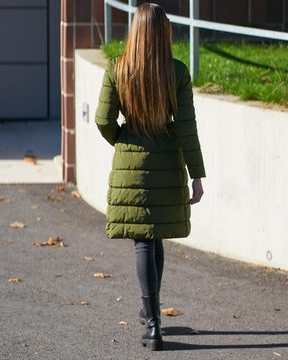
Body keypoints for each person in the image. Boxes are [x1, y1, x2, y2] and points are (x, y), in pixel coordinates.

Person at [95, 2, 205, 351]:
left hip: (131, 164)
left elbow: (102, 119)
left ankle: (153, 322)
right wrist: (197, 175)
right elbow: (186, 129)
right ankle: (152, 315)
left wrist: (123, 139)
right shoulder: (176, 72)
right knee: (154, 238)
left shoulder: (117, 69)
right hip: (167, 163)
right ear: (163, 33)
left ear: (136, 32)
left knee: (145, 240)